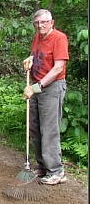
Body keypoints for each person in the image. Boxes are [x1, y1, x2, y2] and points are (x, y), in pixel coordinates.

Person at [23, 9, 69, 185]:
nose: (40, 25)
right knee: (35, 127)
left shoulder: (59, 38)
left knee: (49, 129)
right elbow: (36, 55)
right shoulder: (37, 37)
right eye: (37, 23)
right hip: (36, 85)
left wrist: (37, 87)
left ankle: (56, 171)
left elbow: (58, 67)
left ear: (52, 22)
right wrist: (29, 60)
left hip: (51, 87)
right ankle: (43, 167)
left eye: (43, 22)